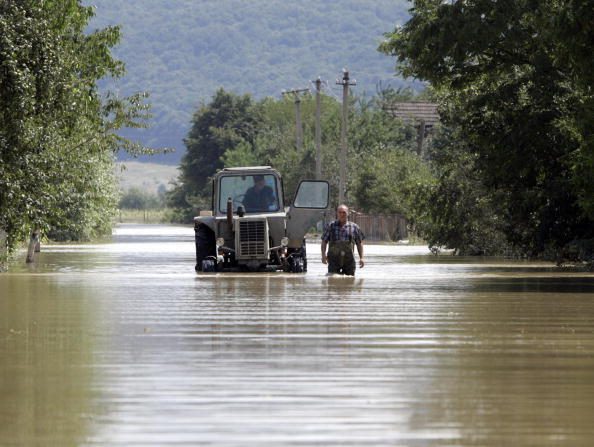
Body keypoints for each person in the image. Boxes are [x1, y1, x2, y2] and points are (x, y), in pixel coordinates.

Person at [321, 204, 365, 276]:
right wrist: (323, 255)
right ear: (337, 213)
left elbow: (359, 243)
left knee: (350, 282)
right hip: (334, 261)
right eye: (340, 212)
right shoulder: (331, 226)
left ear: (348, 213)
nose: (342, 214)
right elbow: (324, 241)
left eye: (344, 212)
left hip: (349, 261)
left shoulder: (354, 227)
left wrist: (362, 258)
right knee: (332, 281)